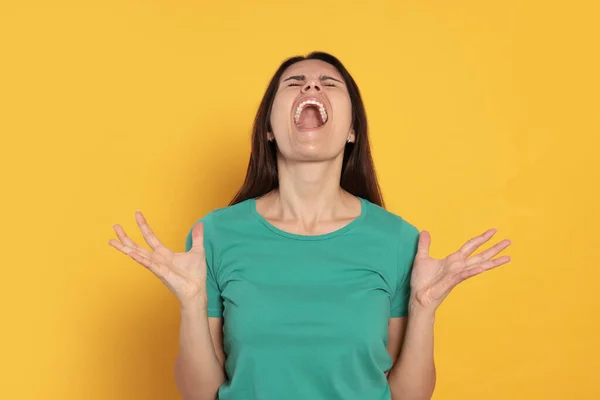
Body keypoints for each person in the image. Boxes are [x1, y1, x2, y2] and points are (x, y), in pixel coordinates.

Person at [108, 51, 512, 400]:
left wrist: (424, 309)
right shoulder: (211, 237)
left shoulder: (398, 241)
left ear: (353, 130)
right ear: (268, 127)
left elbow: (406, 396)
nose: (311, 89)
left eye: (328, 83)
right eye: (295, 83)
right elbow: (201, 393)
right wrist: (191, 304)